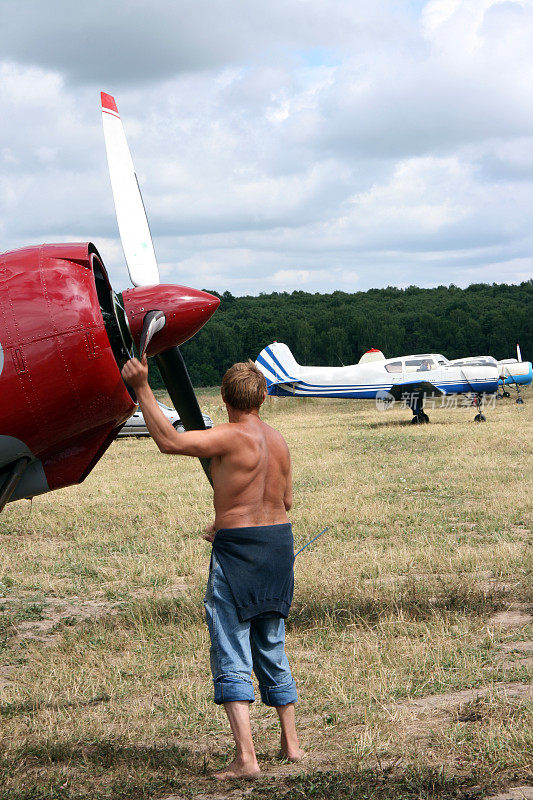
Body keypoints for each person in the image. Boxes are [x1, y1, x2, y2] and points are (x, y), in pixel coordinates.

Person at [121, 357, 303, 780]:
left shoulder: (227, 436)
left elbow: (168, 440)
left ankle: (246, 759)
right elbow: (285, 502)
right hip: (278, 547)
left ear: (223, 398)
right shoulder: (279, 442)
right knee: (271, 642)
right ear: (263, 399)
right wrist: (227, 518)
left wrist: (142, 387)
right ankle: (291, 745)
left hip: (238, 551)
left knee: (230, 644)